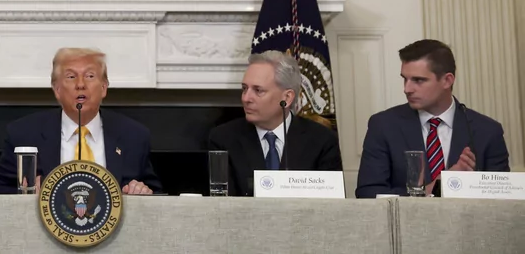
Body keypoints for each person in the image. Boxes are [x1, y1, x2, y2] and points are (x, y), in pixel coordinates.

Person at [0, 47, 160, 194]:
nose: (81, 84)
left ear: (104, 88)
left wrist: (142, 191)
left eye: (90, 76)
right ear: (57, 90)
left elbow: (157, 194)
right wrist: (26, 192)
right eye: (71, 77)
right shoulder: (23, 133)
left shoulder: (134, 136)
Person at [356, 39, 509, 198]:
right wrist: (435, 187)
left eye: (418, 80)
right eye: (405, 79)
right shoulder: (383, 126)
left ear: (447, 81)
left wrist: (464, 185)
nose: (407, 89)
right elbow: (367, 194)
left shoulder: (487, 132)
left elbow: (503, 201)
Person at [207, 51, 342, 196]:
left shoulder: (322, 141)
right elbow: (221, 205)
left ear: (287, 97)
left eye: (258, 90)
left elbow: (330, 206)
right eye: (244, 89)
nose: (246, 98)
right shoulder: (223, 139)